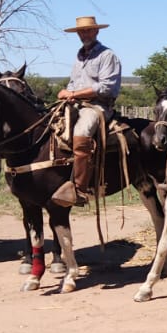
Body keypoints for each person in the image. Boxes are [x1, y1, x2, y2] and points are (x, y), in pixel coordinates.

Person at [51, 15, 122, 207]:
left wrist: (75, 93)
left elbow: (107, 87)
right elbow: (74, 82)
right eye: (81, 31)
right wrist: (66, 91)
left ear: (96, 31)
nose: (84, 34)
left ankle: (79, 189)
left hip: (98, 106)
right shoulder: (79, 55)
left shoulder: (108, 55)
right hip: (76, 103)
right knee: (49, 122)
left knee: (82, 132)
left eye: (88, 30)